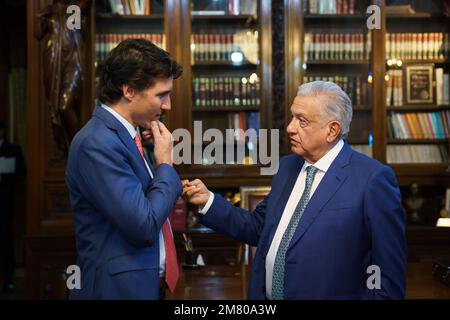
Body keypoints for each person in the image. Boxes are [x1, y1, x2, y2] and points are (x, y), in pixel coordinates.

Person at [183, 81, 407, 300]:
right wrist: (208, 201)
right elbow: (258, 228)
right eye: (292, 117)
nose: (290, 127)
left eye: (302, 121)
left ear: (332, 130)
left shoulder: (372, 179)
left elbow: (386, 276)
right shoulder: (288, 167)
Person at [66, 39, 183, 300]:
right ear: (129, 90)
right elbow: (142, 226)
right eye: (161, 95)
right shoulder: (97, 142)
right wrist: (164, 164)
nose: (168, 105)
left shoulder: (128, 136)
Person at [0, 122, 25, 293]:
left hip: (5, 201)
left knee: (5, 239)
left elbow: (21, 173)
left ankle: (8, 280)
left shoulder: (13, 149)